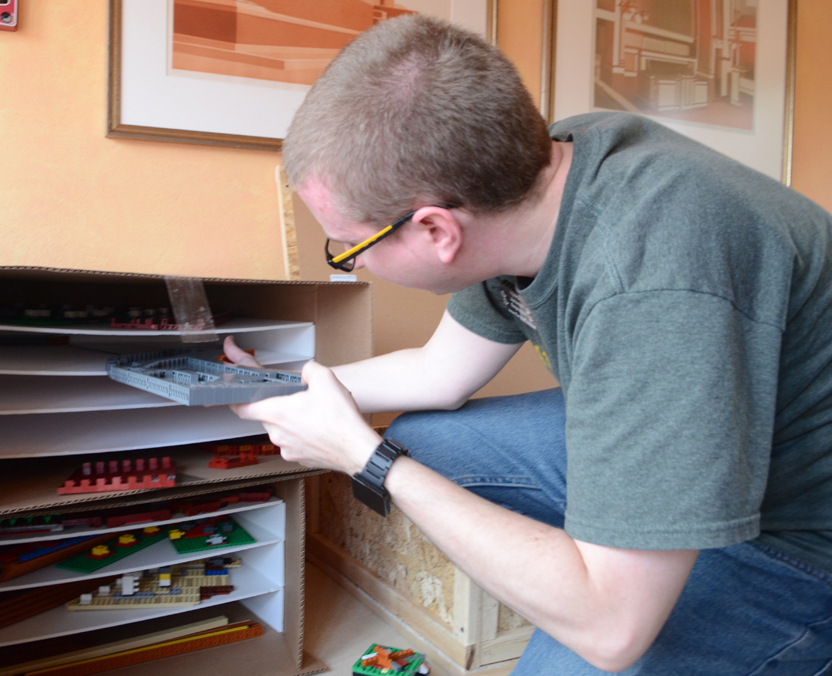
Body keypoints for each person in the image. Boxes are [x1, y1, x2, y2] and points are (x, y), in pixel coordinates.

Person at [224, 13, 832, 674]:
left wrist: (365, 458)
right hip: (732, 443)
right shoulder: (540, 174)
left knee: (585, 637)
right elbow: (439, 372)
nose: (353, 262)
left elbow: (612, 632)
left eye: (349, 247)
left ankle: (639, 566)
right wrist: (277, 383)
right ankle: (623, 542)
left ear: (436, 231)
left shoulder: (652, 285)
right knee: (429, 439)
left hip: (796, 532)